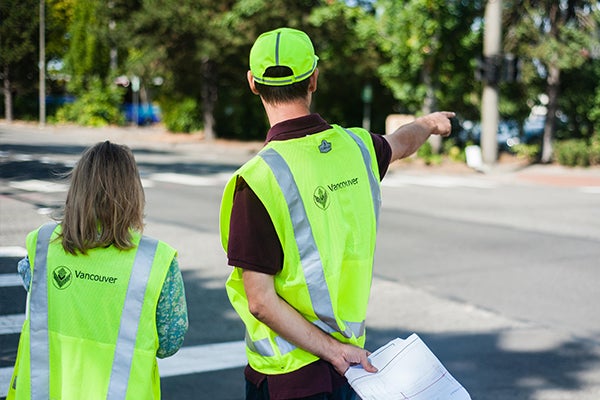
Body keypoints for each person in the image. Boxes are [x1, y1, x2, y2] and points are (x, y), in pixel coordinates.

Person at [219, 27, 454, 400]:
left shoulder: (257, 180)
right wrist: (428, 123)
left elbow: (260, 301)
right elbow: (401, 143)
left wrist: (332, 351)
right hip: (349, 371)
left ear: (252, 83)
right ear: (314, 78)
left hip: (288, 380)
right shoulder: (358, 148)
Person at [8, 141, 188, 399]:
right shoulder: (155, 260)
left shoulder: (42, 246)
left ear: (77, 189)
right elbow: (169, 343)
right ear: (132, 193)